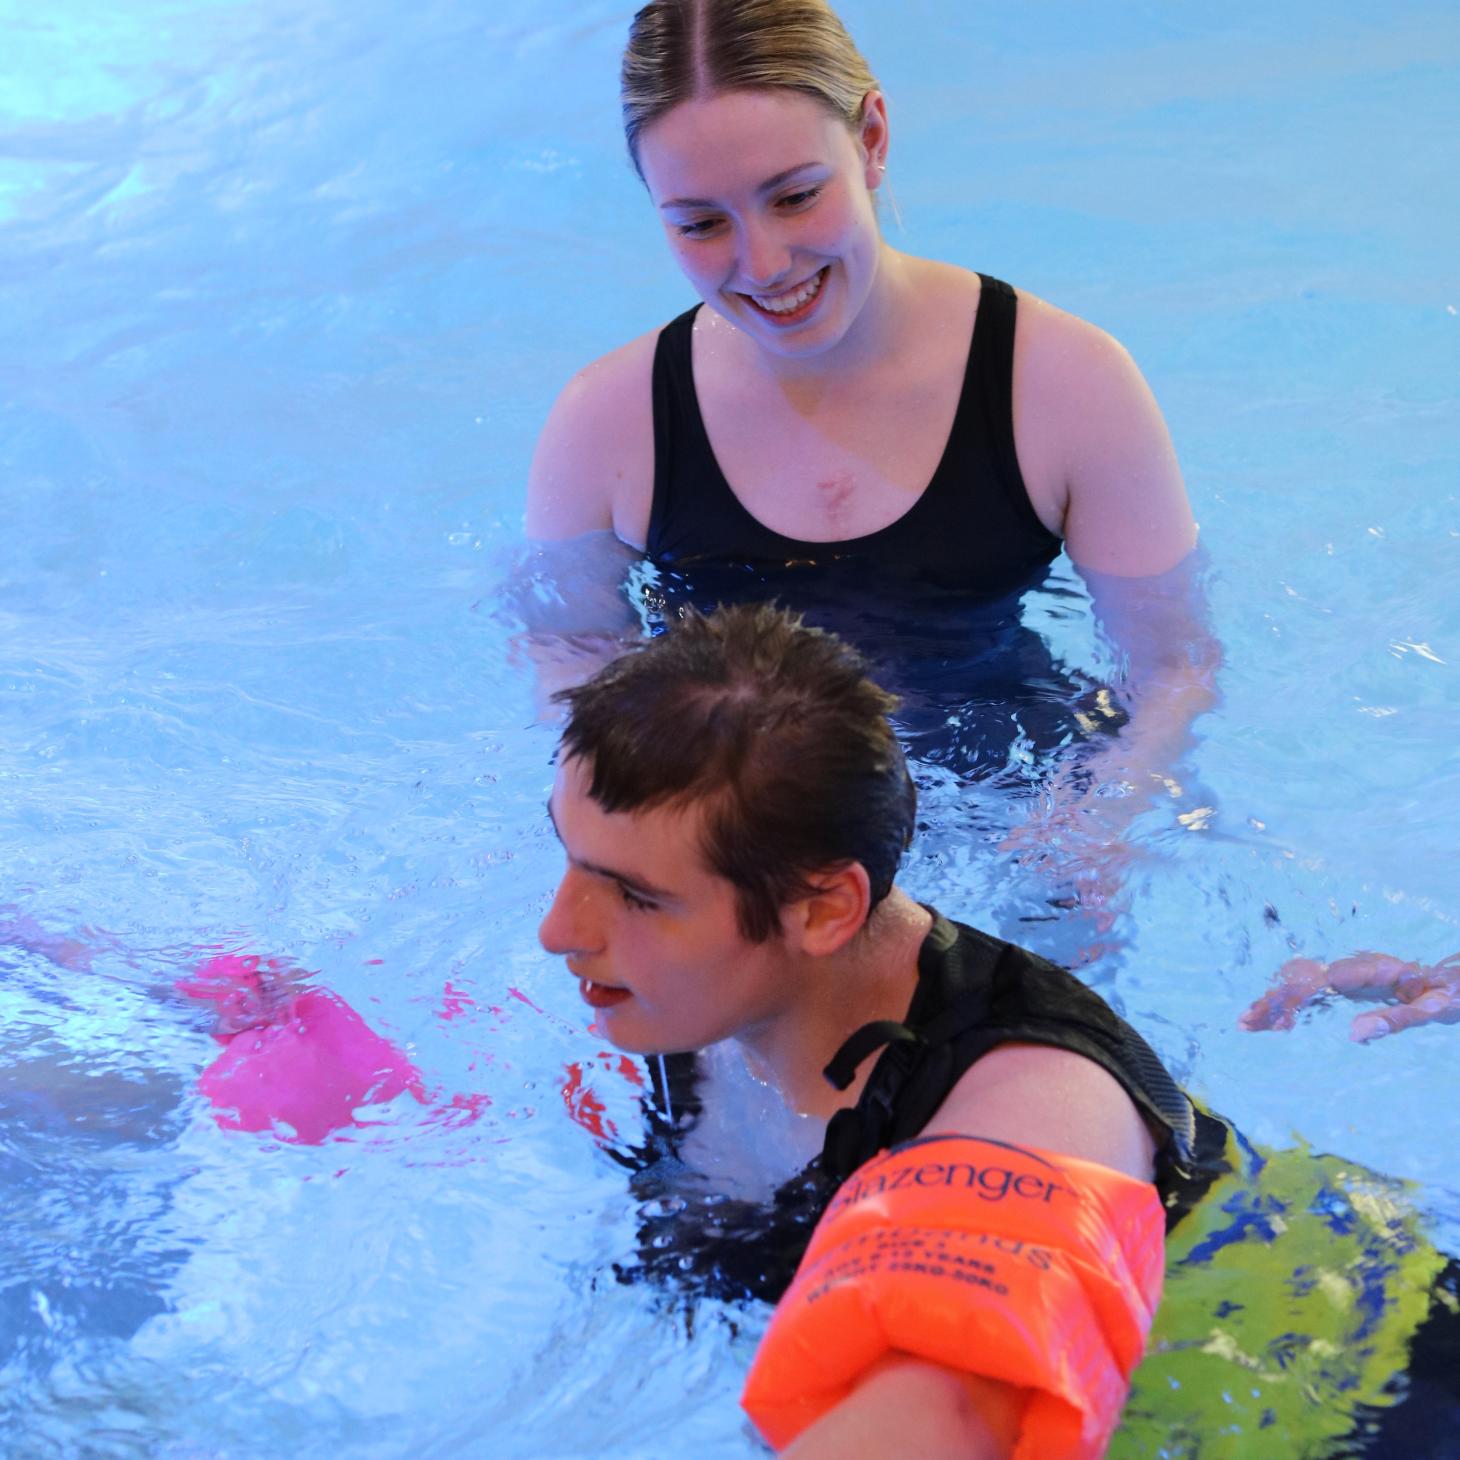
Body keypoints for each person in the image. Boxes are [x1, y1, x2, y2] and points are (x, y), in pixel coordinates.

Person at [521, 0, 1220, 898]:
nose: (764, 263)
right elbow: (570, 666)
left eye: (796, 195)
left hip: (1009, 801)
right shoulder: (607, 425)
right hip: (742, 831)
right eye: (700, 224)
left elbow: (1174, 667)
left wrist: (1098, 815)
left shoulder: (1065, 385)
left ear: (873, 138)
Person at [538, 603, 1218, 1458]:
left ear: (823, 908)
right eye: (565, 851)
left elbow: (951, 1411)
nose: (558, 930)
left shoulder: (1032, 1099)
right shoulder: (695, 991)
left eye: (636, 895)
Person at [1240, 947, 1460, 1042]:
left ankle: (1309, 982)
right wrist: (1386, 1021)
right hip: (1429, 985)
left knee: (1391, 970)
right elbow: (1426, 1008)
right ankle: (1308, 983)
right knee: (1398, 976)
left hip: (1419, 977)